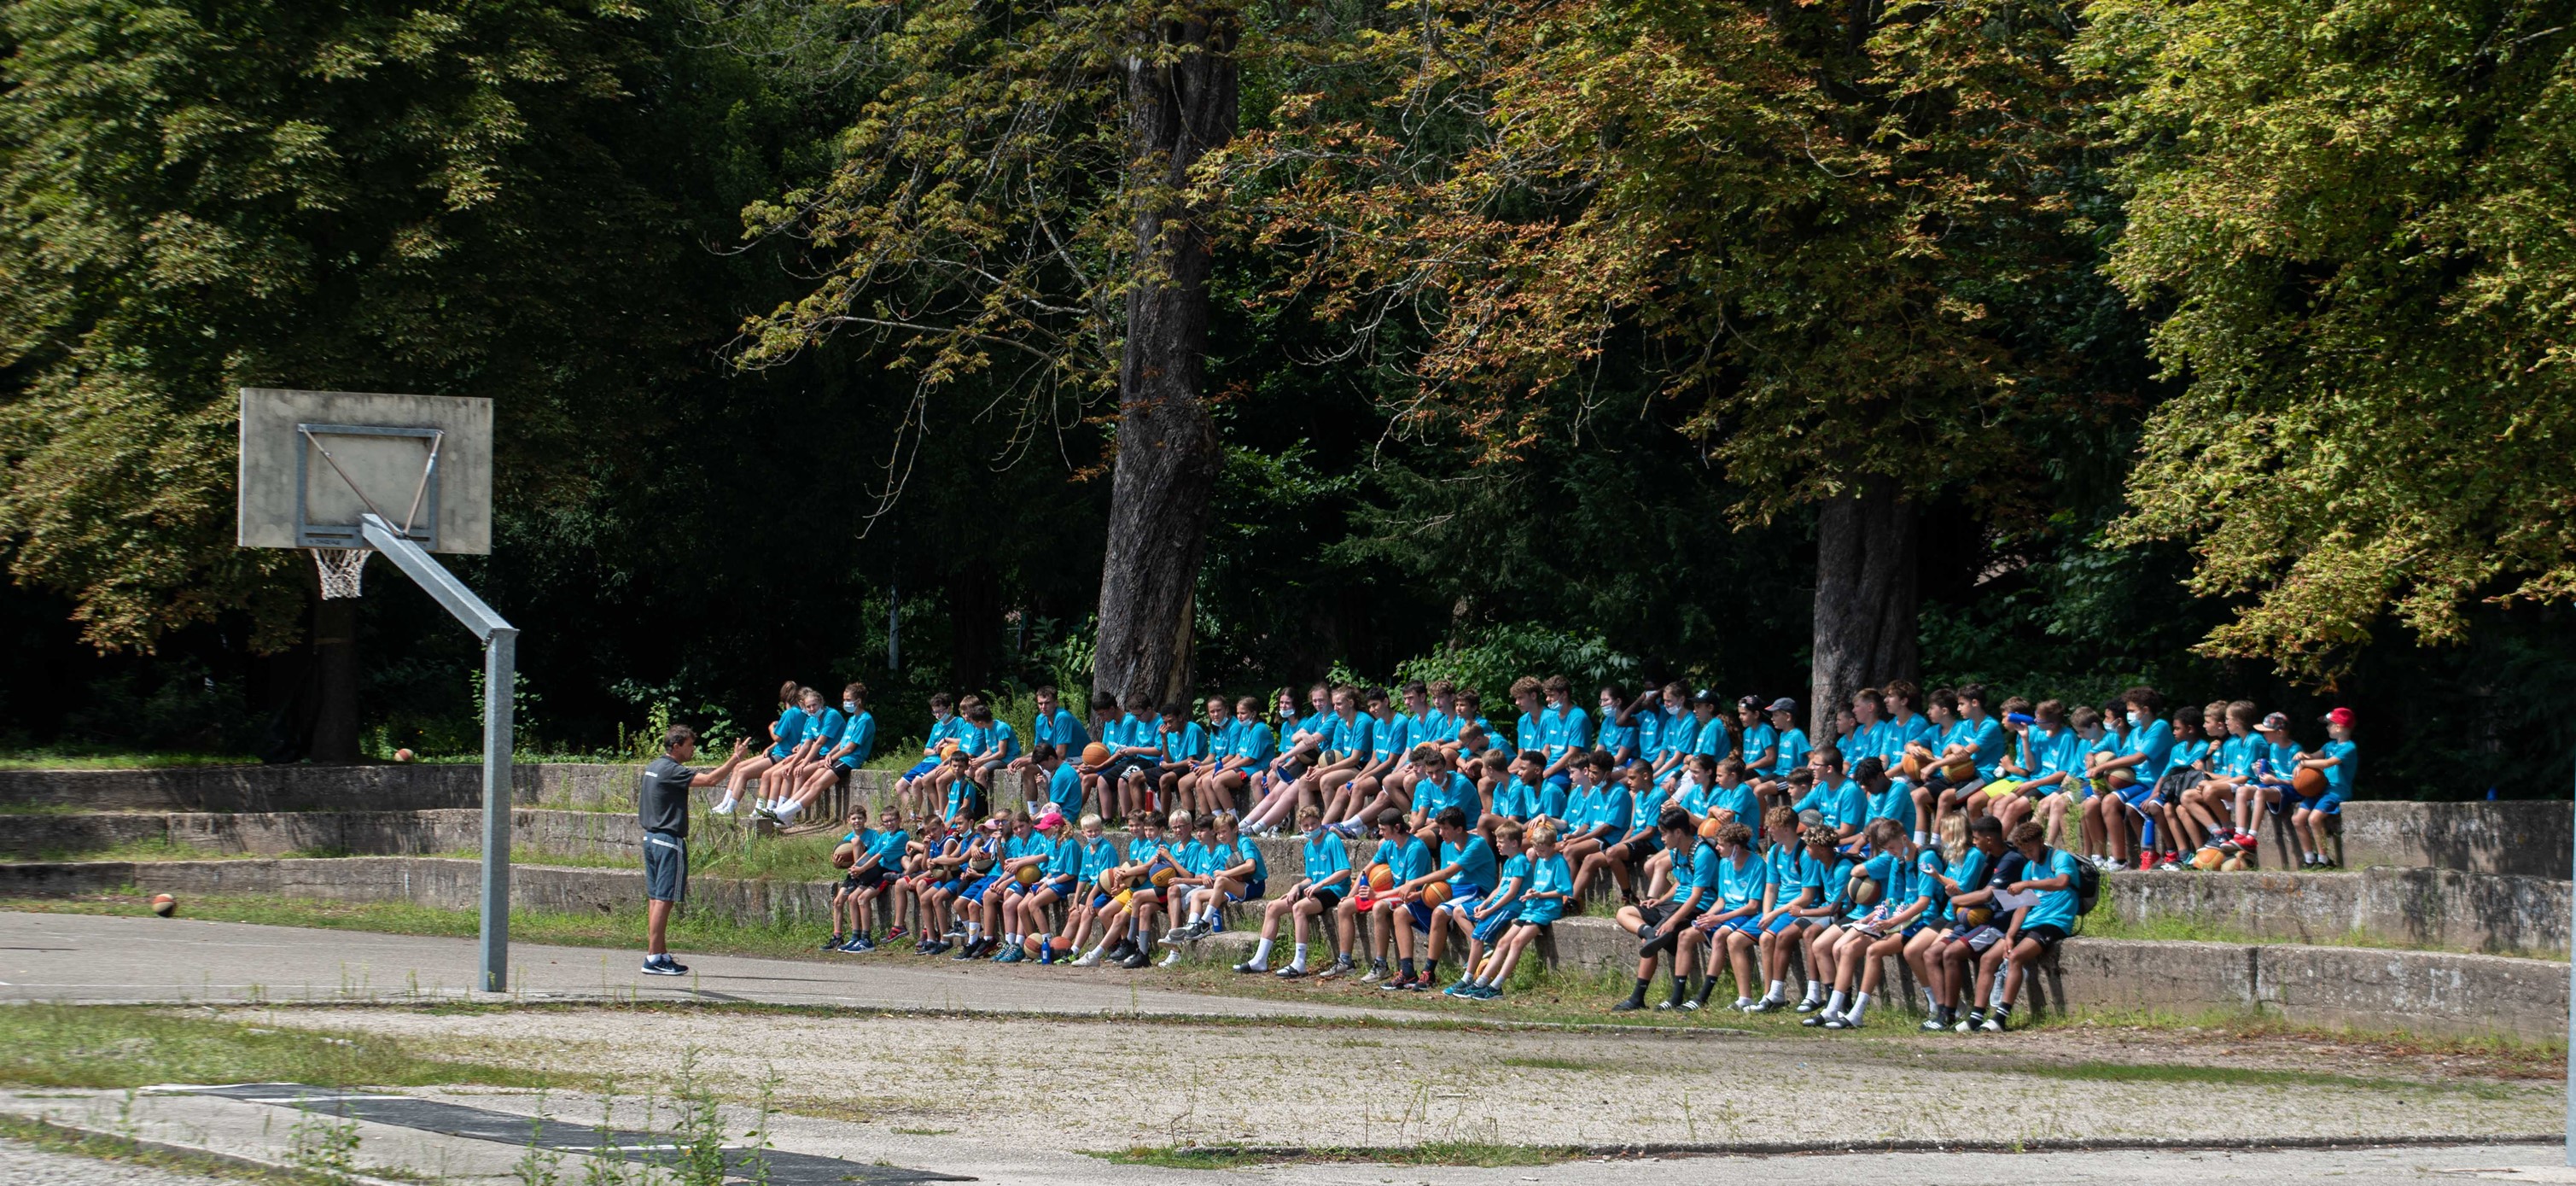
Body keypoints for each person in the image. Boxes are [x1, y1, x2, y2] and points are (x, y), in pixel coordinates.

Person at [636, 726, 750, 976]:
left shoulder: (653, 766)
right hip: (668, 840)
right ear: (676, 746)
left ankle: (660, 953)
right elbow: (710, 780)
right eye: (689, 745)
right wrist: (736, 758)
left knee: (656, 898)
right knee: (664, 900)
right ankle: (654, 957)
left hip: (651, 838)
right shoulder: (670, 770)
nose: (693, 749)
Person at [1612, 808, 1713, 1011]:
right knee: (1624, 913)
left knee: (1654, 941)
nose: (1662, 838)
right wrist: (1661, 900)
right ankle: (1650, 933)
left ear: (1678, 832)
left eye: (1664, 833)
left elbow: (1696, 895)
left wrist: (1673, 920)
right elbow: (1680, 883)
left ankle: (1647, 997)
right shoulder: (1676, 852)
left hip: (1697, 907)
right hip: (1676, 903)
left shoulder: (1703, 853)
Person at [1987, 820, 2084, 1031]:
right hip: (2032, 921)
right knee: (1989, 957)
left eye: (2031, 850)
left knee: (2015, 957)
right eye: (2024, 851)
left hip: (2055, 922)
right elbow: (2024, 906)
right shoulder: (2029, 867)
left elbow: (2061, 882)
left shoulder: (2060, 858)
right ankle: (1976, 1015)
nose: (2029, 855)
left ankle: (2000, 1018)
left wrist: (2027, 884)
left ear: (2041, 842)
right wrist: (2010, 935)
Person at [1234, 806, 1352, 978]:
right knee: (1273, 907)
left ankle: (1300, 962)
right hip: (1316, 890)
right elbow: (1311, 878)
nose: (1310, 828)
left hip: (1335, 890)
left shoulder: (1332, 840)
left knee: (1299, 908)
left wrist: (1320, 885)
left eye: (1313, 824)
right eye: (1306, 826)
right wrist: (1296, 887)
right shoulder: (1309, 846)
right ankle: (1260, 960)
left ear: (1320, 822)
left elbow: (1344, 871)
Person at [1459, 821, 1571, 1000]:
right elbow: (1537, 885)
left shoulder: (1558, 862)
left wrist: (1540, 895)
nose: (1540, 854)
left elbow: (1563, 890)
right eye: (1537, 850)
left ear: (1552, 846)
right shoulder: (1541, 861)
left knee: (1517, 942)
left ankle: (1497, 986)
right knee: (1503, 943)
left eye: (1543, 850)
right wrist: (1532, 892)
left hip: (1546, 910)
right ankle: (1481, 982)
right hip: (1532, 907)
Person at [1394, 805, 1495, 991]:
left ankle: (1429, 973)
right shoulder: (1447, 845)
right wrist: (1420, 893)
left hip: (1476, 891)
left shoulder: (1476, 844)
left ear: (1459, 829)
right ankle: (1407, 970)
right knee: (1401, 912)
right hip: (1453, 890)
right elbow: (1445, 882)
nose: (1441, 833)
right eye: (1439, 828)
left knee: (1440, 912)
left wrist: (1413, 883)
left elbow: (1448, 871)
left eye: (1445, 829)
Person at [1338, 808, 1435, 984]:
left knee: (1379, 906)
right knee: (1344, 906)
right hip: (1391, 893)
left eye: (1383, 829)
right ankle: (1345, 961)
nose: (1380, 833)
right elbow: (1366, 871)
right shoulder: (1389, 844)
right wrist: (1350, 895)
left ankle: (1381, 964)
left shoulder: (1416, 849)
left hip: (1412, 897)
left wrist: (1376, 895)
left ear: (1397, 827)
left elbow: (1408, 889)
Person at [1445, 821, 1530, 996]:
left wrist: (1489, 911)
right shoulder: (1509, 862)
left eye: (1501, 841)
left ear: (1514, 843)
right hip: (1496, 905)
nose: (1497, 845)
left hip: (1509, 907)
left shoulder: (1521, 861)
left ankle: (1467, 979)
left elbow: (1511, 893)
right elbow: (1499, 888)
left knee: (1477, 936)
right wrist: (1484, 903)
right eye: (1497, 841)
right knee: (1459, 911)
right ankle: (1478, 954)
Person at [715, 681, 802, 818]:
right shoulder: (802, 713)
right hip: (780, 750)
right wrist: (770, 747)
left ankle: (730, 807)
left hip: (783, 754)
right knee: (738, 766)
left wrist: (771, 728)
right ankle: (724, 804)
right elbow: (790, 737)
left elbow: (778, 737)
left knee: (743, 772)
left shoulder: (789, 714)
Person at [2293, 708, 2358, 868]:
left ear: (2339, 727)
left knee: (2314, 819)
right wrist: (2304, 755)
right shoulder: (2329, 745)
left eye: (2329, 724)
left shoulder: (2349, 747)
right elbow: (2316, 756)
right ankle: (2309, 858)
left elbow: (2328, 763)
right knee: (2297, 819)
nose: (2327, 727)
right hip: (2322, 790)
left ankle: (2324, 859)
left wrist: (2304, 764)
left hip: (2337, 791)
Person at [823, 805, 879, 952]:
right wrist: (837, 863)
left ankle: (859, 936)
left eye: (860, 818)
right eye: (853, 818)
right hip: (852, 874)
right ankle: (837, 936)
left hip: (865, 871)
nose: (857, 821)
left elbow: (876, 855)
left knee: (856, 842)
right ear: (848, 821)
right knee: (837, 901)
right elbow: (840, 864)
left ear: (865, 819)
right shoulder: (846, 839)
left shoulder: (873, 835)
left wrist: (859, 867)